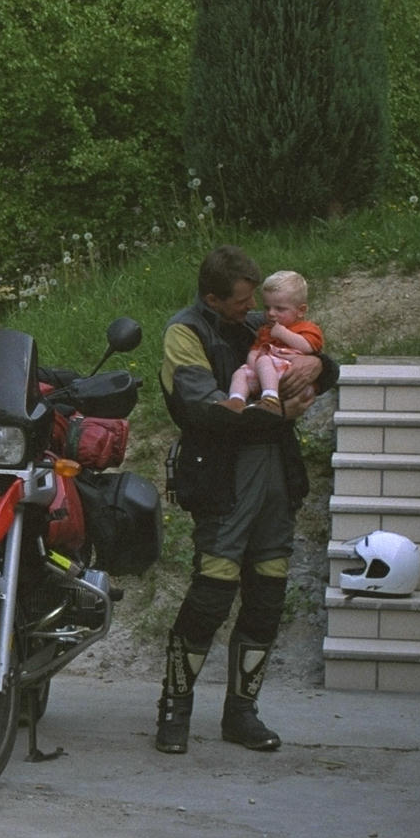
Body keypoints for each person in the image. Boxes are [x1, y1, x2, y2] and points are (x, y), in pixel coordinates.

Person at [156, 245, 336, 755]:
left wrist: (317, 366)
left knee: (268, 595)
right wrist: (277, 414)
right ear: (212, 297)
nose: (253, 306)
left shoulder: (256, 321)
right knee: (211, 593)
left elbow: (323, 358)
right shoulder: (185, 332)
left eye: (257, 297)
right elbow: (201, 407)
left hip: (276, 475)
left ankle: (241, 714)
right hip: (221, 475)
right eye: (241, 299)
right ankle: (174, 711)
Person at [218, 270, 324, 415]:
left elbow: (308, 347)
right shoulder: (265, 330)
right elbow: (255, 350)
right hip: (265, 374)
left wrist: (283, 334)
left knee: (264, 360)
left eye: (280, 309)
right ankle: (236, 401)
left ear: (301, 310)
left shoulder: (307, 327)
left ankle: (270, 399)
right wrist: (252, 363)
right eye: (267, 308)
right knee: (240, 372)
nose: (271, 313)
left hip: (289, 374)